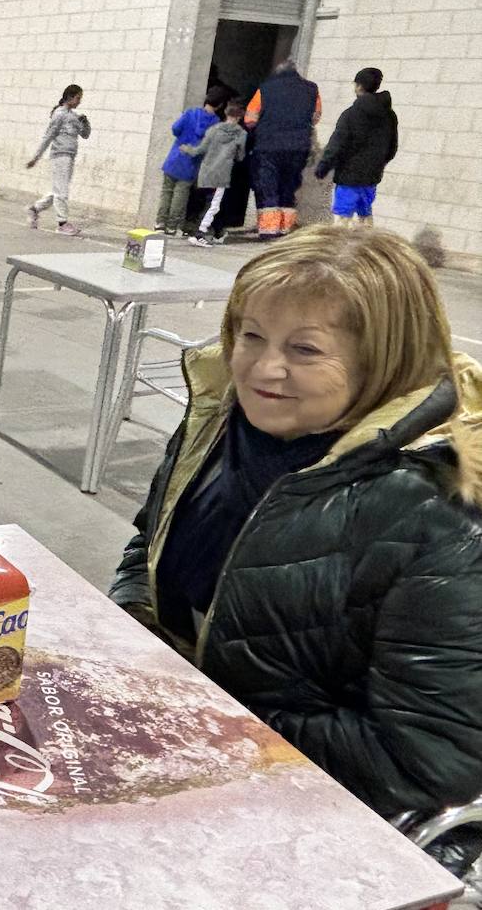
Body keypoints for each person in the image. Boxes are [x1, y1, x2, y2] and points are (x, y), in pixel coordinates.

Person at [107, 226, 482, 867]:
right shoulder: (227, 419)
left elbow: (427, 762)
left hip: (322, 820)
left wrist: (205, 716)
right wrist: (129, 642)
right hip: (188, 744)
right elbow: (149, 544)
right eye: (251, 335)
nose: (260, 367)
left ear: (383, 358)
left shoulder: (439, 507)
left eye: (305, 349)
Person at [314, 66, 398, 228]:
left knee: (341, 218)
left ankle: (339, 251)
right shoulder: (389, 115)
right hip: (371, 176)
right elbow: (392, 147)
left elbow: (336, 144)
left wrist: (322, 168)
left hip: (349, 176)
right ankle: (365, 249)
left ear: (359, 86)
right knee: (365, 216)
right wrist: (378, 162)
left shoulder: (351, 114)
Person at [245, 59, 321, 238]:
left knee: (268, 185)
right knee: (289, 186)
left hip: (268, 146)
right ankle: (285, 229)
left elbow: (250, 119)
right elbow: (316, 117)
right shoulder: (312, 89)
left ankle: (269, 230)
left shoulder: (265, 88)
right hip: (298, 147)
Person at [26, 84, 90, 236]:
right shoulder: (59, 114)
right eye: (77, 98)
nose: (79, 101)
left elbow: (85, 135)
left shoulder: (74, 117)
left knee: (58, 190)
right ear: (69, 97)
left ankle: (35, 208)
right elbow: (48, 136)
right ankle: (62, 223)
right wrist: (36, 156)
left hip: (70, 156)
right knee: (62, 191)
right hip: (59, 156)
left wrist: (85, 123)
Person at [182, 101, 248, 247]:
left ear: (226, 113)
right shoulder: (241, 134)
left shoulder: (213, 129)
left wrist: (187, 149)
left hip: (206, 171)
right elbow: (240, 156)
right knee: (214, 205)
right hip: (222, 173)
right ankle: (200, 233)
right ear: (239, 117)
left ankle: (203, 229)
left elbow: (200, 149)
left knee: (202, 202)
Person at [156, 90, 221, 235]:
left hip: (175, 156)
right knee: (181, 194)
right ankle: (172, 226)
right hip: (191, 163)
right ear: (219, 105)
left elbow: (175, 128)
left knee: (166, 191)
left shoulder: (190, 113)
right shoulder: (215, 123)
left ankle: (160, 222)